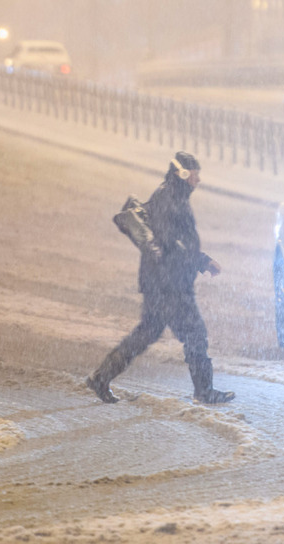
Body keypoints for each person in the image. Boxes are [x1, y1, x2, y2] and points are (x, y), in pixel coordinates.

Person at [86, 152, 235, 405]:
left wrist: (202, 261)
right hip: (169, 284)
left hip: (161, 282)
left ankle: (101, 377)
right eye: (194, 174)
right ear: (182, 174)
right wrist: (197, 262)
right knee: (195, 333)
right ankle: (204, 391)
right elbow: (171, 245)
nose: (198, 180)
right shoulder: (169, 199)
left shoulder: (173, 197)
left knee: (146, 333)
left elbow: (177, 244)